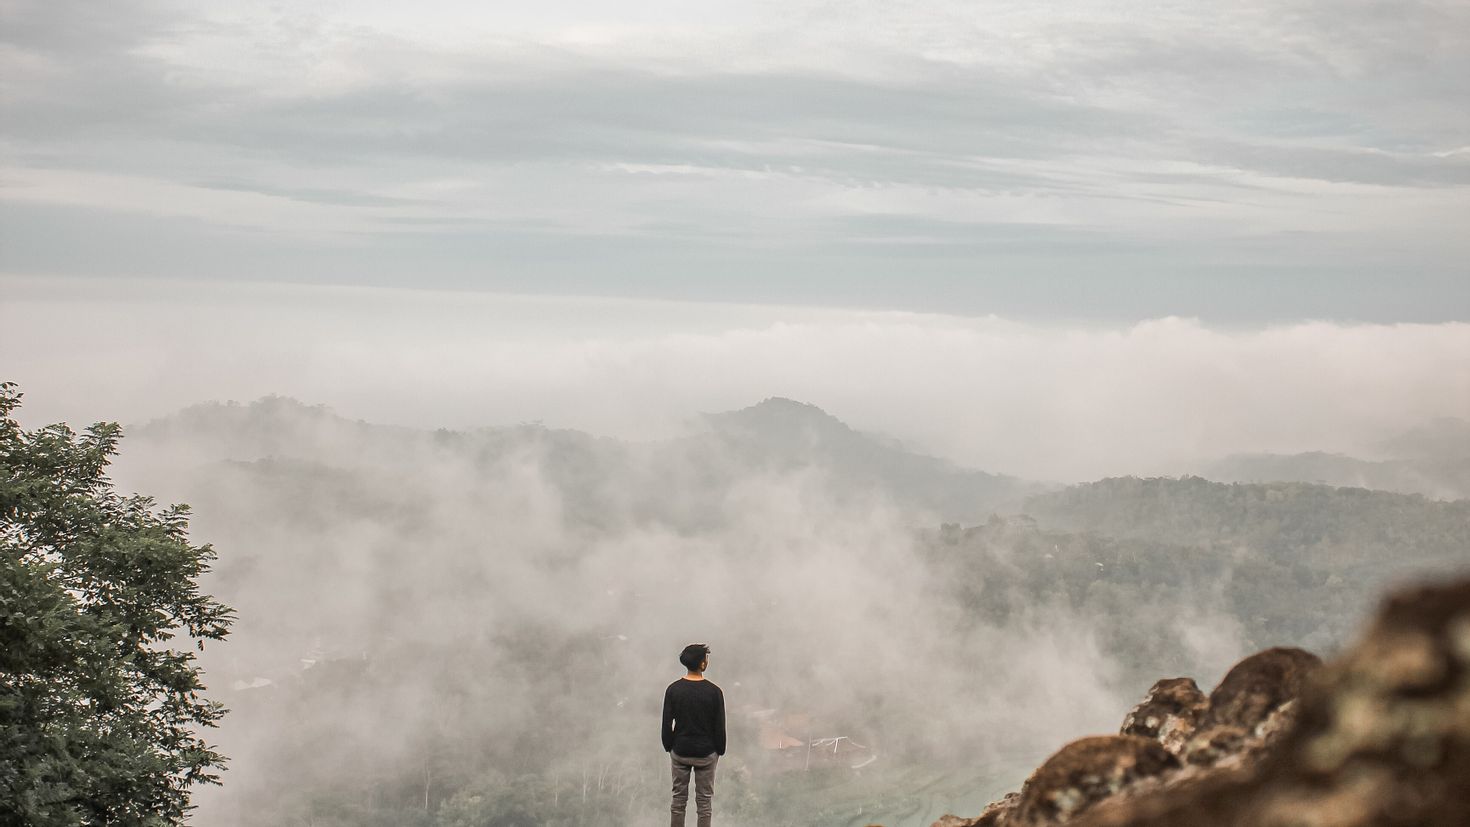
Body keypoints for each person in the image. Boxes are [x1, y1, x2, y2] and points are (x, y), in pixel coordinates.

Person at [662, 643, 726, 827]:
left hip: (680, 751)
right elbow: (719, 726)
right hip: (706, 754)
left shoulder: (673, 689)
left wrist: (669, 746)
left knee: (678, 802)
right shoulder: (714, 692)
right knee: (704, 804)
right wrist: (718, 751)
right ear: (702, 664)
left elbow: (667, 723)